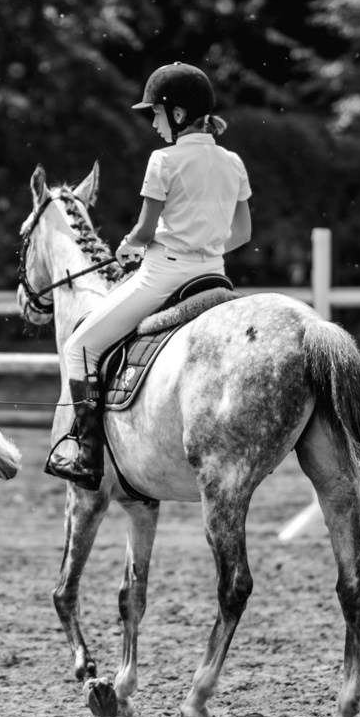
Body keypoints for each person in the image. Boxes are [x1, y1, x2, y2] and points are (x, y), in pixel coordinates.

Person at [44, 62, 253, 488]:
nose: (154, 124)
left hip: (162, 277)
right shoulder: (232, 161)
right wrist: (205, 248)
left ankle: (86, 454)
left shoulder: (164, 159)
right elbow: (244, 232)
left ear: (177, 115)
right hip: (214, 277)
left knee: (80, 346)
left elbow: (142, 230)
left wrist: (128, 246)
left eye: (156, 114)